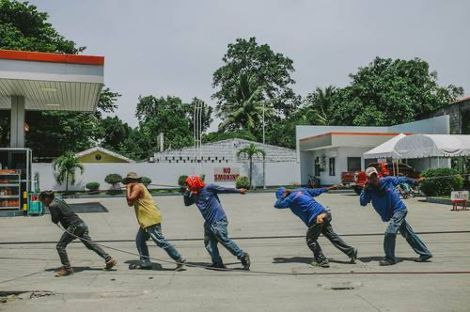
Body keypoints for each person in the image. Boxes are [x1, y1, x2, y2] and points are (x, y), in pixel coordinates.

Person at [359, 167, 432, 266]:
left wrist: (415, 181)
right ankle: (425, 253)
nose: (373, 179)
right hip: (390, 214)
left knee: (390, 232)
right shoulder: (369, 190)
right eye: (370, 177)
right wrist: (364, 189)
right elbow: (363, 203)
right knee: (408, 234)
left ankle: (390, 259)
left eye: (374, 176)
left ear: (377, 175)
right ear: (368, 179)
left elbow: (403, 179)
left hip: (399, 210)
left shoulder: (388, 180)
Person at [274, 186, 357, 268]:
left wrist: (282, 197)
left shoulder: (290, 199)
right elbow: (316, 191)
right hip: (324, 213)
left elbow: (277, 205)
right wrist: (328, 188)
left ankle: (322, 260)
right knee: (332, 236)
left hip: (316, 218)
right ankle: (351, 252)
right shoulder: (301, 190)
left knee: (310, 240)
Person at [39, 191, 117, 277]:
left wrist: (54, 217)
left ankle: (67, 269)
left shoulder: (52, 205)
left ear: (46, 199)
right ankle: (109, 259)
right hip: (81, 224)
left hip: (74, 226)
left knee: (60, 246)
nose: (43, 203)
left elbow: (55, 220)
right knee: (90, 245)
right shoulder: (59, 200)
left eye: (42, 201)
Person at [183, 176, 251, 270]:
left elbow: (224, 189)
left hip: (218, 220)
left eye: (190, 186)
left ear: (196, 184)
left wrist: (239, 190)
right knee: (209, 243)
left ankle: (242, 255)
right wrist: (186, 191)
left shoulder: (209, 188)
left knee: (224, 240)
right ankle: (217, 263)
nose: (190, 189)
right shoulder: (195, 195)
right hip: (208, 222)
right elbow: (186, 203)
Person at [124, 172, 186, 270]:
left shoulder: (137, 187)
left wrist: (127, 189)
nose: (127, 183)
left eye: (128, 181)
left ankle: (179, 258)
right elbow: (130, 203)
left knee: (159, 240)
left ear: (131, 180)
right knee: (140, 240)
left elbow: (130, 199)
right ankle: (145, 262)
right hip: (145, 220)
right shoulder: (136, 187)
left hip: (150, 218)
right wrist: (128, 190)